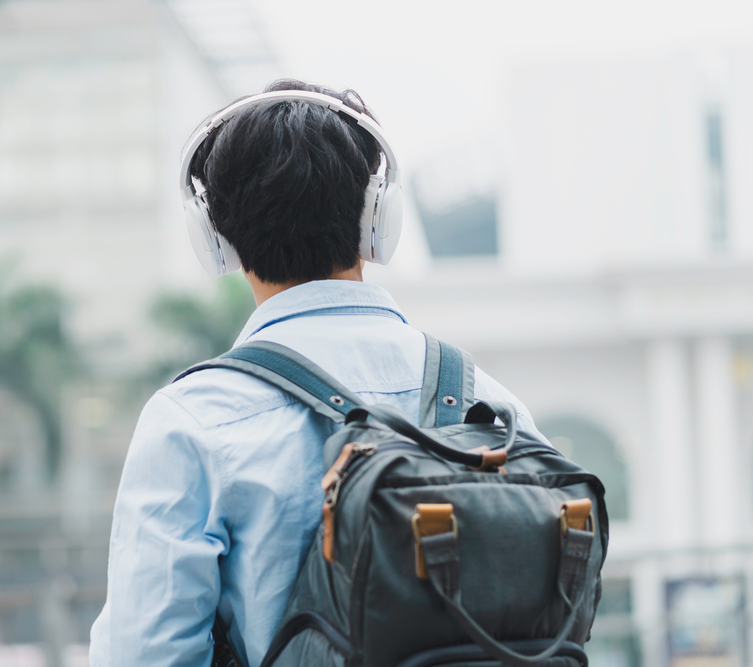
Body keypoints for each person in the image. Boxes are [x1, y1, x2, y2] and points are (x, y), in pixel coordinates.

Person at [89, 79, 541, 667]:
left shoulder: (193, 423)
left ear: (215, 239)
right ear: (377, 217)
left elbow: (143, 655)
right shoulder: (494, 407)